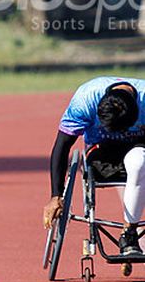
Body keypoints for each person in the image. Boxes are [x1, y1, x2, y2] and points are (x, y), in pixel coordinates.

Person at [43, 77, 145, 256]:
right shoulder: (86, 98)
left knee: (139, 163)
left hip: (137, 146)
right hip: (101, 149)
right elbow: (62, 145)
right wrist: (56, 195)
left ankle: (129, 234)